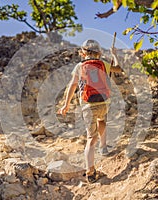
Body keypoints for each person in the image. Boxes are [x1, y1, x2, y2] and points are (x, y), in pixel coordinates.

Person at [58, 39, 122, 183]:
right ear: (99, 53)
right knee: (102, 120)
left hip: (88, 105)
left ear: (82, 53)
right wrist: (114, 54)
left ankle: (90, 171)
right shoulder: (103, 64)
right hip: (103, 102)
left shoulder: (80, 66)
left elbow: (72, 86)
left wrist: (66, 105)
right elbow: (118, 68)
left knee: (90, 140)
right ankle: (104, 147)